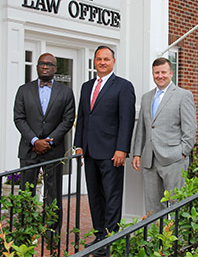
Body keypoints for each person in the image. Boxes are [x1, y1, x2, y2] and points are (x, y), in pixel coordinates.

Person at [74, 45, 136, 252]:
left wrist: (122, 149)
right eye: (99, 59)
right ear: (94, 61)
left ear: (113, 62)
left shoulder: (123, 86)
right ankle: (99, 235)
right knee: (94, 196)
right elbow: (82, 117)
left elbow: (126, 120)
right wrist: (78, 145)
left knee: (112, 196)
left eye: (106, 59)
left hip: (112, 153)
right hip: (90, 152)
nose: (102, 62)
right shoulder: (86, 86)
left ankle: (110, 238)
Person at [13, 53, 75, 235]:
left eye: (49, 64)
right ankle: (26, 229)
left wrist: (50, 141)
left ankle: (51, 231)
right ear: (37, 67)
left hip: (53, 150)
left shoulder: (65, 92)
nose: (45, 67)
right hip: (28, 150)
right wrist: (34, 140)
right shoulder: (23, 90)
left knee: (53, 193)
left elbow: (68, 119)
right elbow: (19, 118)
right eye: (42, 64)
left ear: (56, 69)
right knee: (26, 193)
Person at [132, 57, 197, 215]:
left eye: (163, 72)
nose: (160, 76)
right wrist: (137, 153)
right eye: (156, 73)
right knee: (153, 206)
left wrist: (182, 152)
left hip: (173, 159)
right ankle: (155, 239)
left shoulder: (183, 95)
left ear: (171, 73)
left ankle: (178, 240)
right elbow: (142, 128)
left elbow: (190, 128)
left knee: (176, 204)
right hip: (150, 159)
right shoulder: (146, 97)